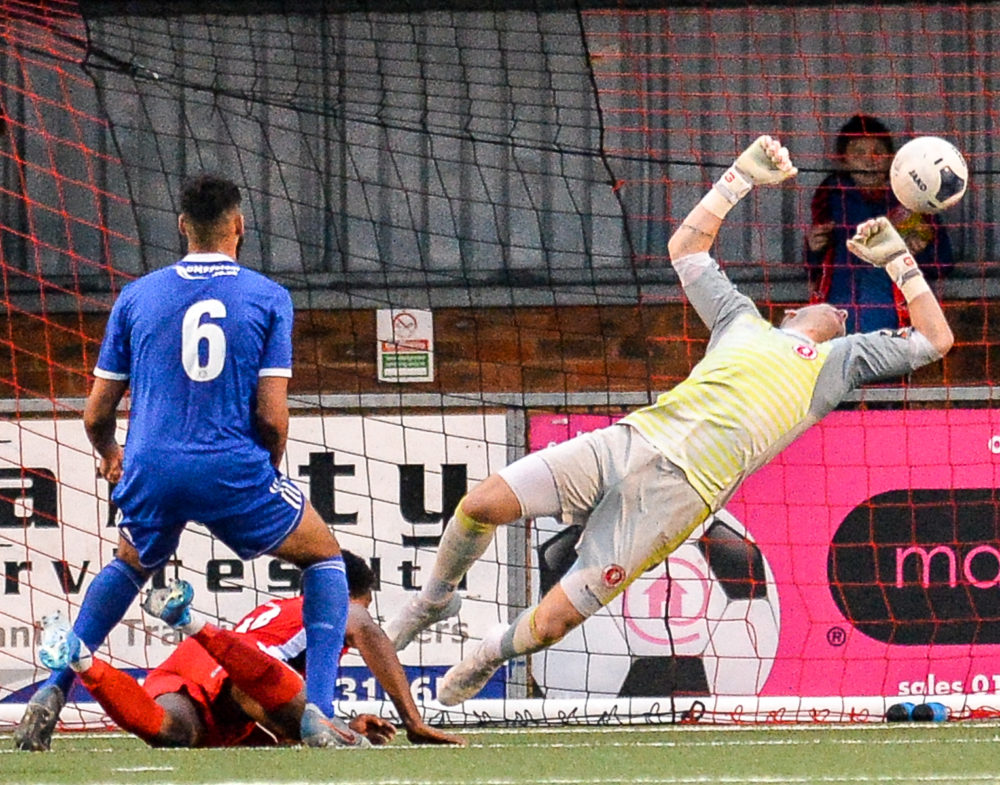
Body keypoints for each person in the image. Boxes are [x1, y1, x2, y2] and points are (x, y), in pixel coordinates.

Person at [386, 135, 955, 706]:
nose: (843, 312)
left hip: (678, 498)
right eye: (832, 306)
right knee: (481, 504)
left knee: (554, 622)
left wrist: (900, 261)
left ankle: (488, 653)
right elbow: (686, 248)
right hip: (629, 443)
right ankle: (435, 598)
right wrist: (739, 176)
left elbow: (936, 340)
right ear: (792, 311)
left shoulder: (838, 363)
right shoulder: (740, 320)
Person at [15, 174, 358, 750]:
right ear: (239, 226)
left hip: (152, 466)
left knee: (128, 564)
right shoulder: (268, 296)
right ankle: (319, 712)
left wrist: (111, 456)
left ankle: (53, 687)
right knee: (324, 557)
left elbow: (96, 413)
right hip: (230, 467)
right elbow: (272, 416)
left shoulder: (137, 296)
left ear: (182, 227)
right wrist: (266, 469)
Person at [28, 551, 465, 748]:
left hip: (199, 665)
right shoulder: (333, 606)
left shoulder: (277, 611)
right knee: (317, 728)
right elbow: (363, 626)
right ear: (351, 594)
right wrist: (413, 721)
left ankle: (81, 658)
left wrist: (341, 724)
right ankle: (190, 621)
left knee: (173, 732)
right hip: (245, 668)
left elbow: (272, 716)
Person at [805, 114, 954, 333]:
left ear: (892, 159)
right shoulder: (829, 196)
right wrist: (813, 248)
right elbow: (814, 269)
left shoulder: (914, 197)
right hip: (838, 320)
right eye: (859, 153)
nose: (870, 160)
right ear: (843, 160)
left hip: (896, 323)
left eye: (878, 152)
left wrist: (921, 252)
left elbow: (944, 265)